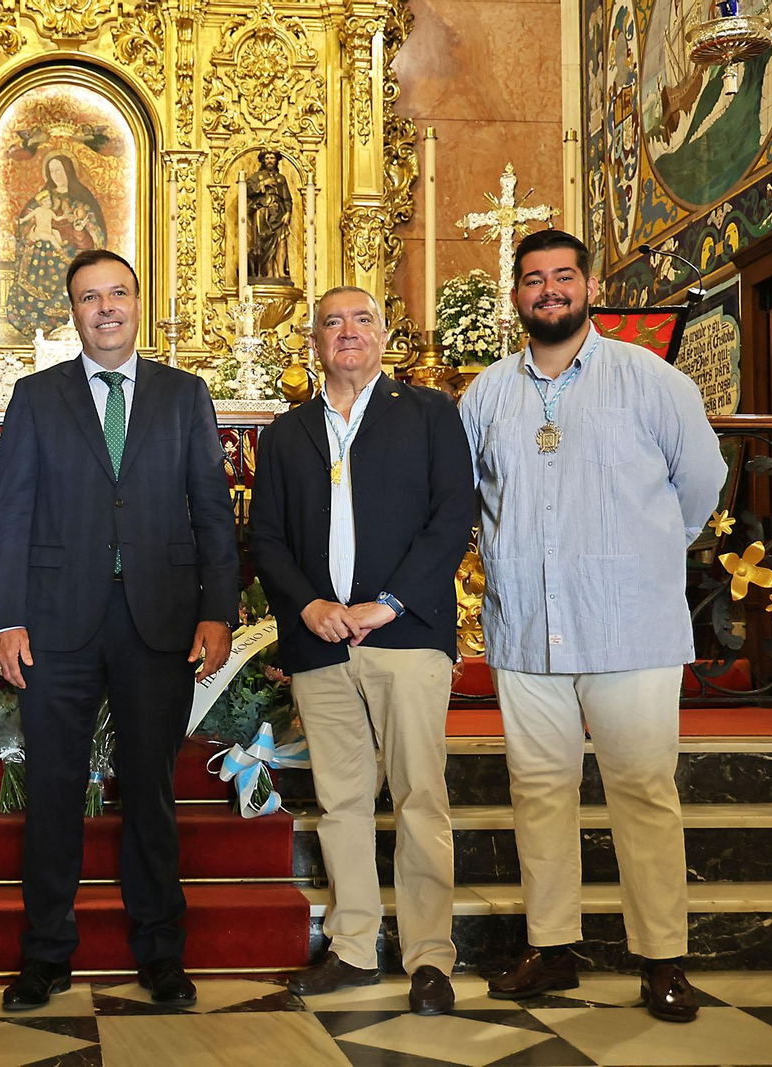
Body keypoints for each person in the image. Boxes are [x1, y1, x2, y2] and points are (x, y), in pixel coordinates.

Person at [459, 230, 726, 1023]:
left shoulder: (650, 379)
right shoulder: (486, 394)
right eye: (534, 280)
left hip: (628, 625)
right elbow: (467, 493)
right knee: (538, 789)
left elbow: (702, 479)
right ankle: (551, 947)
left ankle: (662, 959)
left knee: (643, 791)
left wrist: (639, 555)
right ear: (516, 296)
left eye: (563, 277)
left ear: (590, 284)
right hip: (526, 623)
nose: (549, 291)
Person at [0, 248, 239, 1010]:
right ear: (71, 311)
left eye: (118, 293)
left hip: (159, 620)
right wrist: (7, 619)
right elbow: (12, 516)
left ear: (138, 301)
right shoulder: (36, 396)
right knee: (55, 791)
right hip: (58, 623)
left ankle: (162, 951)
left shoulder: (184, 393)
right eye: (89, 297)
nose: (105, 308)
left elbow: (213, 511)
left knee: (152, 792)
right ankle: (45, 954)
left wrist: (217, 610)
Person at [250, 286, 473, 1014]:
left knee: (419, 794)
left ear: (386, 334)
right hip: (320, 641)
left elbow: (452, 516)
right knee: (341, 798)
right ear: (314, 342)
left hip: (405, 633)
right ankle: (351, 948)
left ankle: (430, 956)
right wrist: (309, 605)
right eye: (332, 322)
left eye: (362, 319)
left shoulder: (432, 414)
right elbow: (268, 539)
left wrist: (392, 601)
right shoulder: (285, 434)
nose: (347, 332)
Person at [5, 153, 109, 340]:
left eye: (59, 170)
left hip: (71, 256)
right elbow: (25, 226)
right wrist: (31, 233)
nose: (55, 175)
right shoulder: (42, 200)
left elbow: (93, 240)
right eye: (51, 171)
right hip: (41, 254)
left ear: (68, 171)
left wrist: (78, 231)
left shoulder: (80, 202)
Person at [245, 150, 293, 281]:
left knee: (281, 241)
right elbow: (246, 190)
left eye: (272, 158)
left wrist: (288, 212)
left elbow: (287, 198)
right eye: (267, 158)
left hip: (279, 212)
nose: (270, 160)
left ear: (276, 160)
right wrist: (262, 184)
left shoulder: (281, 179)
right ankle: (269, 271)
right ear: (263, 161)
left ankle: (281, 271)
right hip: (263, 212)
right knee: (265, 242)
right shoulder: (257, 177)